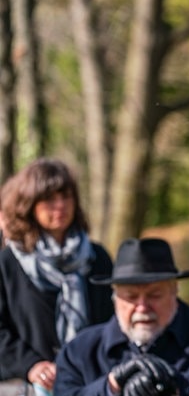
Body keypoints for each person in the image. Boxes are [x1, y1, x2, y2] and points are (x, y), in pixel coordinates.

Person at [54, 237, 189, 396]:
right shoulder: (80, 350)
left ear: (174, 292)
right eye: (131, 297)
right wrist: (111, 386)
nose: (142, 307)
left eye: (154, 295)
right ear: (115, 298)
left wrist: (181, 385)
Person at [0, 158, 114, 395]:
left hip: (92, 381)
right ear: (29, 204)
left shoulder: (97, 257)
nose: (60, 205)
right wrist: (31, 366)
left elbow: (113, 321)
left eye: (66, 196)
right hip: (26, 386)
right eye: (49, 198)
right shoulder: (8, 263)